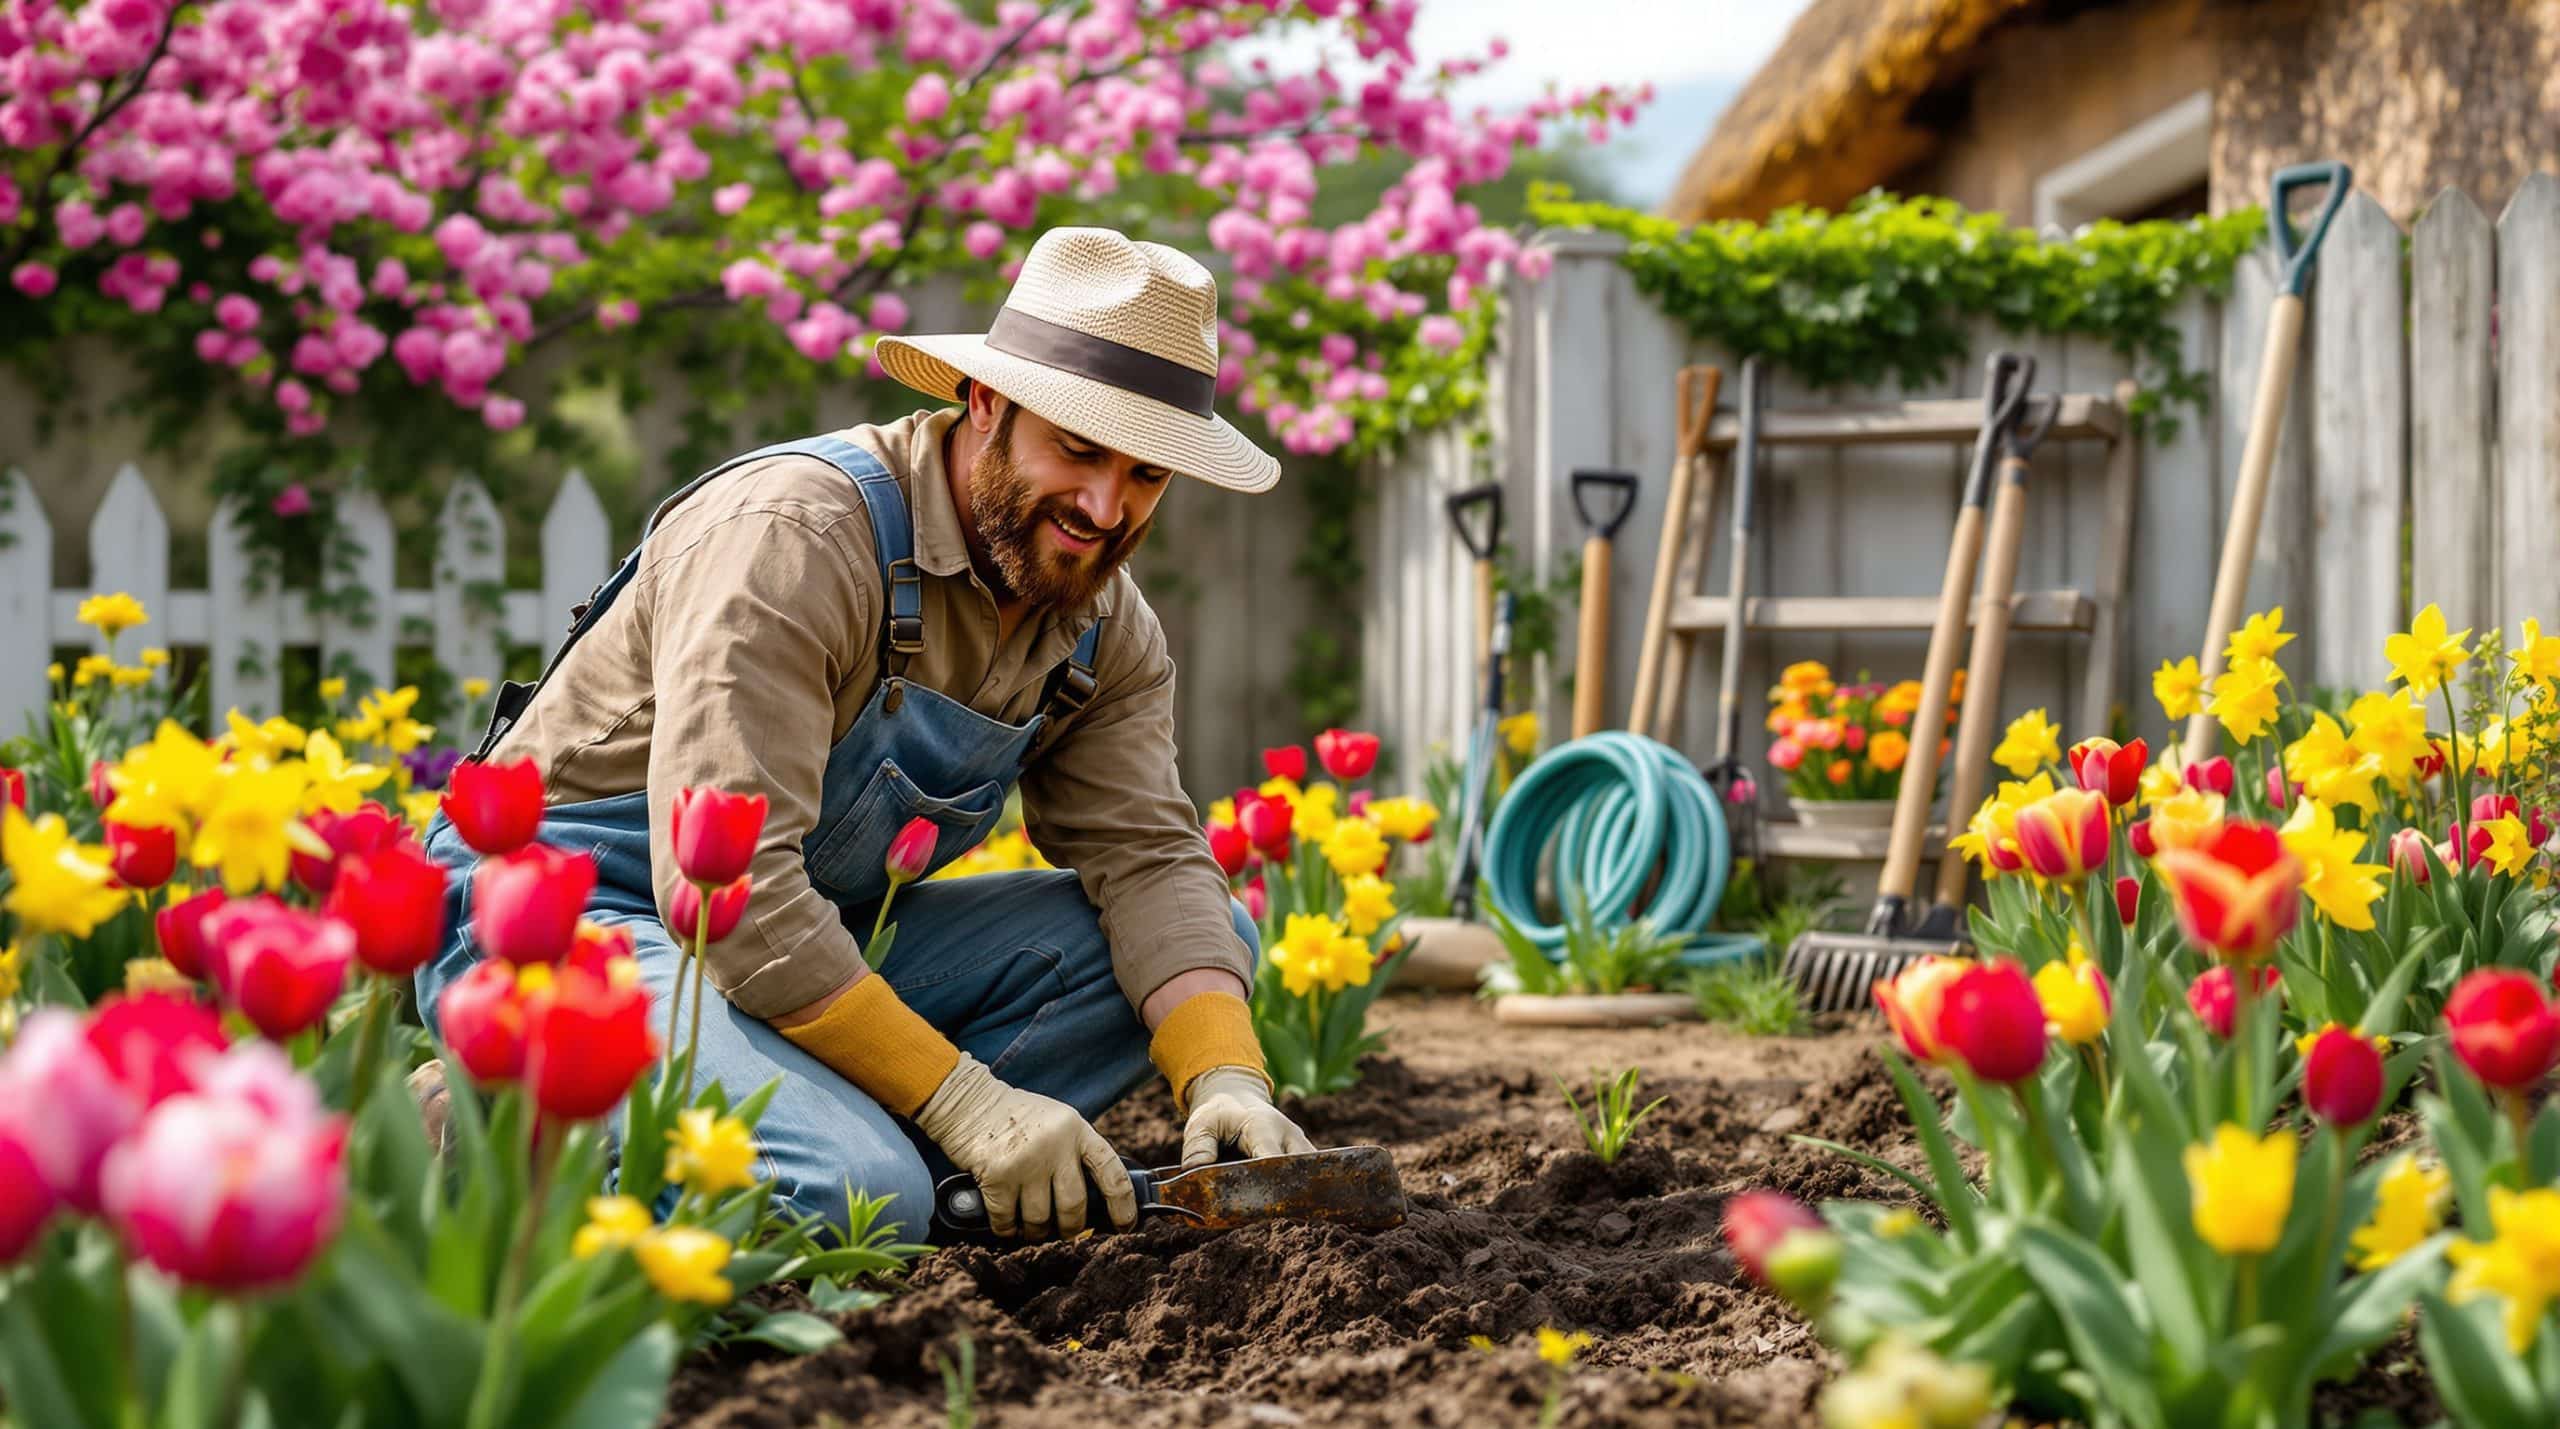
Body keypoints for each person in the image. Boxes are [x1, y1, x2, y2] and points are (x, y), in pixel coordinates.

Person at [411, 226, 1314, 1243]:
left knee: (1182, 952)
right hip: (577, 910)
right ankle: (495, 1113)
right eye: (1080, 449)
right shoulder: (797, 539)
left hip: (797, 945)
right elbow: (729, 885)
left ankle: (825, 1152)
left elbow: (1146, 855)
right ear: (985, 404)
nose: (1106, 506)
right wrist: (969, 1104)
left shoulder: (1101, 628)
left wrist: (1225, 1074)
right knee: (859, 1194)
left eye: (1146, 475)